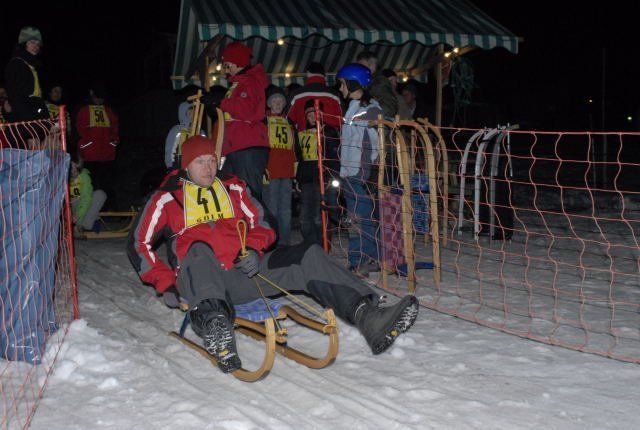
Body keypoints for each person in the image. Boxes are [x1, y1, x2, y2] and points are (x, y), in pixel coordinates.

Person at [128, 136, 419, 373]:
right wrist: (166, 283)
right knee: (199, 250)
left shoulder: (233, 187)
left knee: (308, 255)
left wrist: (254, 249)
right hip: (201, 281)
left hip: (243, 273)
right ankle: (216, 327)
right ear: (186, 165)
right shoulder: (167, 197)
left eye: (212, 160)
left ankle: (368, 315)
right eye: (200, 161)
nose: (208, 167)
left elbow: (265, 223)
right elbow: (138, 244)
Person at [336, 63, 382, 275]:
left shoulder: (369, 105)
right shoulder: (352, 107)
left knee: (359, 216)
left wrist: (373, 119)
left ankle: (365, 258)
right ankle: (362, 258)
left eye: (342, 84)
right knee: (355, 217)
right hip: (348, 170)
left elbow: (379, 118)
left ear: (353, 83)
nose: (340, 88)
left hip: (359, 171)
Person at [215, 42, 269, 201]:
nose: (226, 68)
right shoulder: (238, 83)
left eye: (227, 64)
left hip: (248, 146)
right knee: (230, 193)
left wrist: (221, 102)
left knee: (249, 196)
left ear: (237, 62)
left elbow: (247, 109)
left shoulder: (250, 81)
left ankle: (260, 218)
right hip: (236, 146)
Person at [296, 99, 339, 246]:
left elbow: (334, 156)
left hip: (323, 178)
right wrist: (298, 179)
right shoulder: (302, 134)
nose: (312, 118)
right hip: (307, 179)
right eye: (309, 115)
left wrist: (331, 177)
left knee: (318, 216)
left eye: (315, 114)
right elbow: (299, 158)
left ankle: (322, 244)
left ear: (320, 114)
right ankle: (309, 245)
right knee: (304, 217)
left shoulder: (329, 131)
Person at [75, 83, 119, 208]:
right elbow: (78, 130)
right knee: (89, 185)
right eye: (97, 97)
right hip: (89, 156)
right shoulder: (83, 109)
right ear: (91, 94)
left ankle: (109, 211)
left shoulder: (109, 110)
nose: (99, 100)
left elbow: (115, 129)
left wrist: (114, 142)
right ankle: (90, 211)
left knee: (107, 185)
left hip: (107, 155)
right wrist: (84, 146)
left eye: (102, 98)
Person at [263, 86, 297, 246]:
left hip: (287, 170)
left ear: (284, 104)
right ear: (269, 103)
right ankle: (272, 242)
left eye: (280, 101)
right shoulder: (263, 121)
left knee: (286, 210)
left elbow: (295, 147)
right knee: (272, 209)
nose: (277, 104)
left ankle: (284, 242)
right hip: (270, 170)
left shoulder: (289, 122)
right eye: (274, 101)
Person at [4, 26, 48, 122]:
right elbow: (17, 97)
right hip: (26, 121)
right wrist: (30, 125)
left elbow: (37, 98)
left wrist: (46, 120)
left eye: (38, 44)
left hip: (36, 117)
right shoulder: (17, 64)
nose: (36, 46)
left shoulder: (32, 66)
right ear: (24, 44)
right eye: (32, 42)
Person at [287, 62, 343, 131]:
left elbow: (288, 121)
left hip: (304, 136)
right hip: (330, 136)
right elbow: (342, 120)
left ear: (308, 73)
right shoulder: (335, 95)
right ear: (323, 75)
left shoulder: (296, 95)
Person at [69, 159, 107, 234]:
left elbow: (86, 198)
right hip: (70, 208)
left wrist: (78, 215)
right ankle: (80, 226)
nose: (74, 171)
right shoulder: (61, 176)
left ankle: (81, 226)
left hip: (81, 209)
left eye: (76, 168)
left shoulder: (84, 176)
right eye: (71, 167)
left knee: (100, 195)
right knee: (75, 199)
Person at [356, 51, 397, 119]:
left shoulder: (378, 83)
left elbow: (389, 108)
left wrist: (365, 116)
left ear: (372, 67)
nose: (358, 69)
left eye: (361, 66)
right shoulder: (367, 82)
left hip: (376, 124)